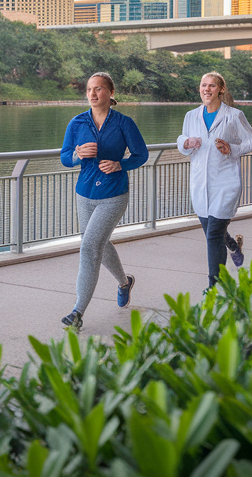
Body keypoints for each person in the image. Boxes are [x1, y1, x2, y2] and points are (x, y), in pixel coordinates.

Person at [58, 72, 148, 332]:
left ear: (110, 93)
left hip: (114, 194)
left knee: (89, 247)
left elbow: (141, 154)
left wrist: (121, 163)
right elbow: (64, 157)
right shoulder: (77, 123)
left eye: (98, 89)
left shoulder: (124, 123)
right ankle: (124, 282)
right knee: (98, 242)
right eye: (89, 89)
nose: (93, 94)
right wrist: (76, 154)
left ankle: (77, 312)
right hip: (84, 194)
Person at [176, 72, 252, 289]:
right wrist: (186, 143)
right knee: (213, 232)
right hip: (200, 184)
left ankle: (215, 286)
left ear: (220, 89)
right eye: (203, 85)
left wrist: (232, 148)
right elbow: (182, 141)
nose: (207, 89)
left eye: (212, 86)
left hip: (225, 182)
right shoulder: (191, 116)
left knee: (213, 234)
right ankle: (233, 245)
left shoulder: (234, 115)